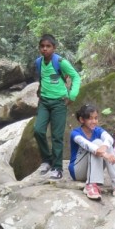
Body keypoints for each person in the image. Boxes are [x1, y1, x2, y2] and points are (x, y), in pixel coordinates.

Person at [34, 34, 81, 180]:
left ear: (54, 48)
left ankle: (57, 168)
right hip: (44, 102)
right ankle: (47, 160)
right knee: (38, 130)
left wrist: (72, 96)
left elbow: (76, 77)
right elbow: (44, 79)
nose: (45, 49)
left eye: (48, 46)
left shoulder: (61, 62)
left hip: (59, 103)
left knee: (57, 136)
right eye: (42, 46)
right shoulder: (38, 62)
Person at [68, 103, 115, 200]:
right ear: (81, 120)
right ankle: (91, 185)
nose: (94, 121)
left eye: (96, 118)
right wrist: (105, 154)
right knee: (97, 143)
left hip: (92, 168)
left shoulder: (98, 130)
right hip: (78, 171)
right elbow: (88, 145)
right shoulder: (75, 133)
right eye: (90, 118)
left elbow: (109, 139)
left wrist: (105, 147)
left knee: (105, 143)